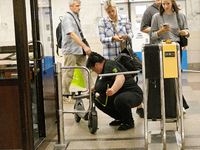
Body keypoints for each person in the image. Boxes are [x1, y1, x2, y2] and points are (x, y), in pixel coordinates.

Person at [98, 0, 143, 118]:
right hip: (111, 56)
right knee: (115, 82)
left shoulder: (124, 19)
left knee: (130, 80)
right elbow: (102, 39)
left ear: (116, 8)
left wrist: (126, 37)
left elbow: (131, 34)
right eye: (108, 12)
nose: (111, 14)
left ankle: (139, 106)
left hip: (124, 56)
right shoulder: (102, 21)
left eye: (112, 11)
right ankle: (119, 111)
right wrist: (112, 38)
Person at [86, 52, 143, 131]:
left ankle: (128, 122)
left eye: (92, 69)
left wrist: (113, 90)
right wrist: (91, 90)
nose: (94, 71)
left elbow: (120, 77)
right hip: (121, 94)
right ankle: (120, 118)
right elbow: (101, 84)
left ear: (96, 65)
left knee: (120, 99)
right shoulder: (103, 70)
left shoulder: (109, 66)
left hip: (134, 94)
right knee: (98, 100)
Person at [149, 0, 189, 111]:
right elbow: (152, 35)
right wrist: (161, 31)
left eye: (168, 4)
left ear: (173, 3)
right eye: (163, 4)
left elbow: (187, 30)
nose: (165, 6)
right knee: (164, 77)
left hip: (175, 47)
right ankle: (167, 105)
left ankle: (179, 105)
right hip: (162, 48)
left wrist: (185, 33)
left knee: (176, 76)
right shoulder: (157, 17)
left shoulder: (180, 15)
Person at [62, 0, 92, 102]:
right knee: (69, 74)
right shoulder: (67, 17)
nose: (79, 8)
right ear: (70, 6)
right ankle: (65, 95)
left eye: (79, 6)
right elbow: (72, 34)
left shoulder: (76, 16)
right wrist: (85, 46)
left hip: (79, 50)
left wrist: (83, 47)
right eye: (77, 6)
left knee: (86, 71)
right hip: (70, 50)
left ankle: (91, 91)